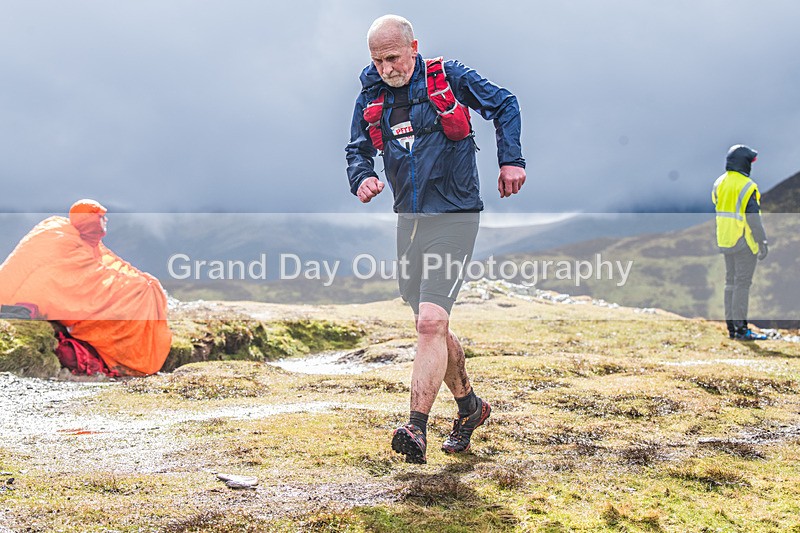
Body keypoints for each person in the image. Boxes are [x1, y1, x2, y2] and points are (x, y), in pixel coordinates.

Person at [345, 15, 525, 463]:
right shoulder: (371, 94)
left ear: (413, 47)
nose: (387, 67)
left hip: (456, 215)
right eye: (377, 59)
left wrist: (510, 160)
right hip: (409, 220)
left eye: (393, 57)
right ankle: (470, 407)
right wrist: (362, 176)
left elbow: (505, 104)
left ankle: (416, 428)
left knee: (429, 322)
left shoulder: (449, 76)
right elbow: (356, 149)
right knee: (432, 323)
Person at [712, 145, 769, 341]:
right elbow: (753, 218)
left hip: (726, 239)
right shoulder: (747, 185)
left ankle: (732, 330)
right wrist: (762, 241)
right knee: (742, 284)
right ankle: (742, 330)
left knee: (730, 284)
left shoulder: (719, 183)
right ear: (744, 162)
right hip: (744, 241)